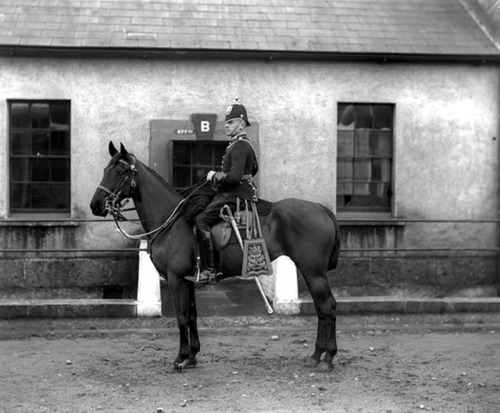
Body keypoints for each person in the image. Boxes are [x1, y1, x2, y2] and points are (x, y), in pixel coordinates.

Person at [187, 99, 258, 282]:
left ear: (242, 124)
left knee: (201, 219)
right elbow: (253, 169)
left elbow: (234, 177)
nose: (226, 127)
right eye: (226, 123)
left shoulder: (240, 146)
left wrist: (215, 176)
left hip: (235, 194)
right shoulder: (239, 145)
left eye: (231, 123)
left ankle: (209, 270)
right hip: (236, 191)